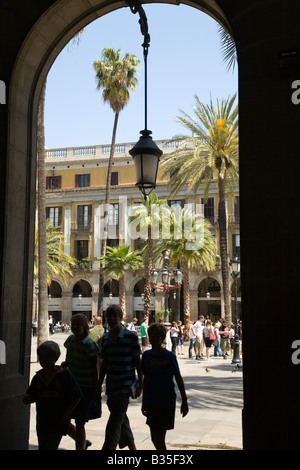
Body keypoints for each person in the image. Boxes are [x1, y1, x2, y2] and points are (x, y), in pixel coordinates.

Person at [98, 304, 143, 450]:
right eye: (109, 316)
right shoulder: (105, 338)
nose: (111, 319)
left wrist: (141, 384)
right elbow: (105, 363)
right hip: (111, 385)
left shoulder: (130, 336)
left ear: (120, 317)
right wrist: (99, 382)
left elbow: (138, 362)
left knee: (114, 424)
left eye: (114, 316)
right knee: (121, 419)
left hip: (125, 386)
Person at [23, 341, 82, 450]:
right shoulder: (38, 378)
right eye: (41, 357)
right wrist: (27, 398)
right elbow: (31, 395)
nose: (44, 359)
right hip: (42, 422)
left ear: (56, 357)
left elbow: (77, 396)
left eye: (48, 356)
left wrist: (67, 414)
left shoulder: (64, 376)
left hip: (58, 422)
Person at [141, 323, 189, 450]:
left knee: (159, 438)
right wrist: (144, 401)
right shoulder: (146, 356)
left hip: (165, 400)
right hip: (151, 400)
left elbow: (178, 378)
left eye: (156, 335)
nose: (153, 337)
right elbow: (145, 379)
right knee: (154, 438)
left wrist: (184, 400)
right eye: (151, 334)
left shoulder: (169, 356)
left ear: (162, 337)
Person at [62, 313, 99, 450]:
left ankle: (80, 447)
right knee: (63, 417)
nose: (76, 327)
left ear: (85, 326)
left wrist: (96, 389)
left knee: (79, 422)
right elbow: (69, 357)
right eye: (73, 324)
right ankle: (82, 442)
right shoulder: (70, 340)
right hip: (70, 385)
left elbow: (94, 370)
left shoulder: (90, 345)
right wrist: (65, 364)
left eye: (79, 324)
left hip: (84, 388)